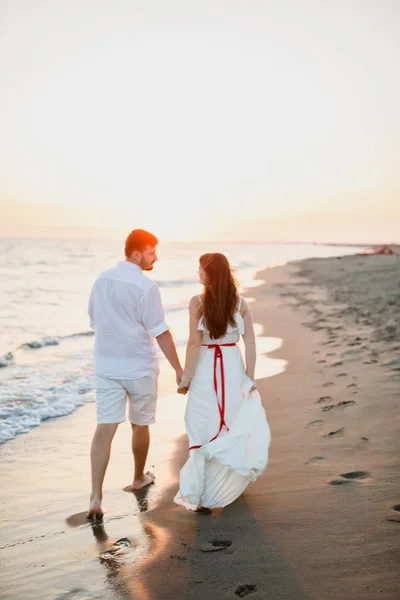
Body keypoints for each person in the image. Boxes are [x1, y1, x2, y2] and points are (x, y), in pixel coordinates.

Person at [88, 229, 183, 518]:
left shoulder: (102, 279)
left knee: (105, 427)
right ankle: (138, 477)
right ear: (136, 253)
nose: (156, 257)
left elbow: (93, 319)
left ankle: (95, 497)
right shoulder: (145, 286)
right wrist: (178, 369)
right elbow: (160, 331)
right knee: (140, 425)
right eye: (152, 252)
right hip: (139, 366)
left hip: (106, 367)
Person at [175, 253, 270, 511]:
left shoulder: (197, 302)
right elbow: (250, 341)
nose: (197, 273)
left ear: (211, 273)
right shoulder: (240, 303)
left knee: (201, 422)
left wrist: (186, 377)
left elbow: (195, 343)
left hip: (206, 366)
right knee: (230, 422)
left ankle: (204, 490)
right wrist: (250, 376)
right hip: (232, 365)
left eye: (200, 269)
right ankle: (227, 485)